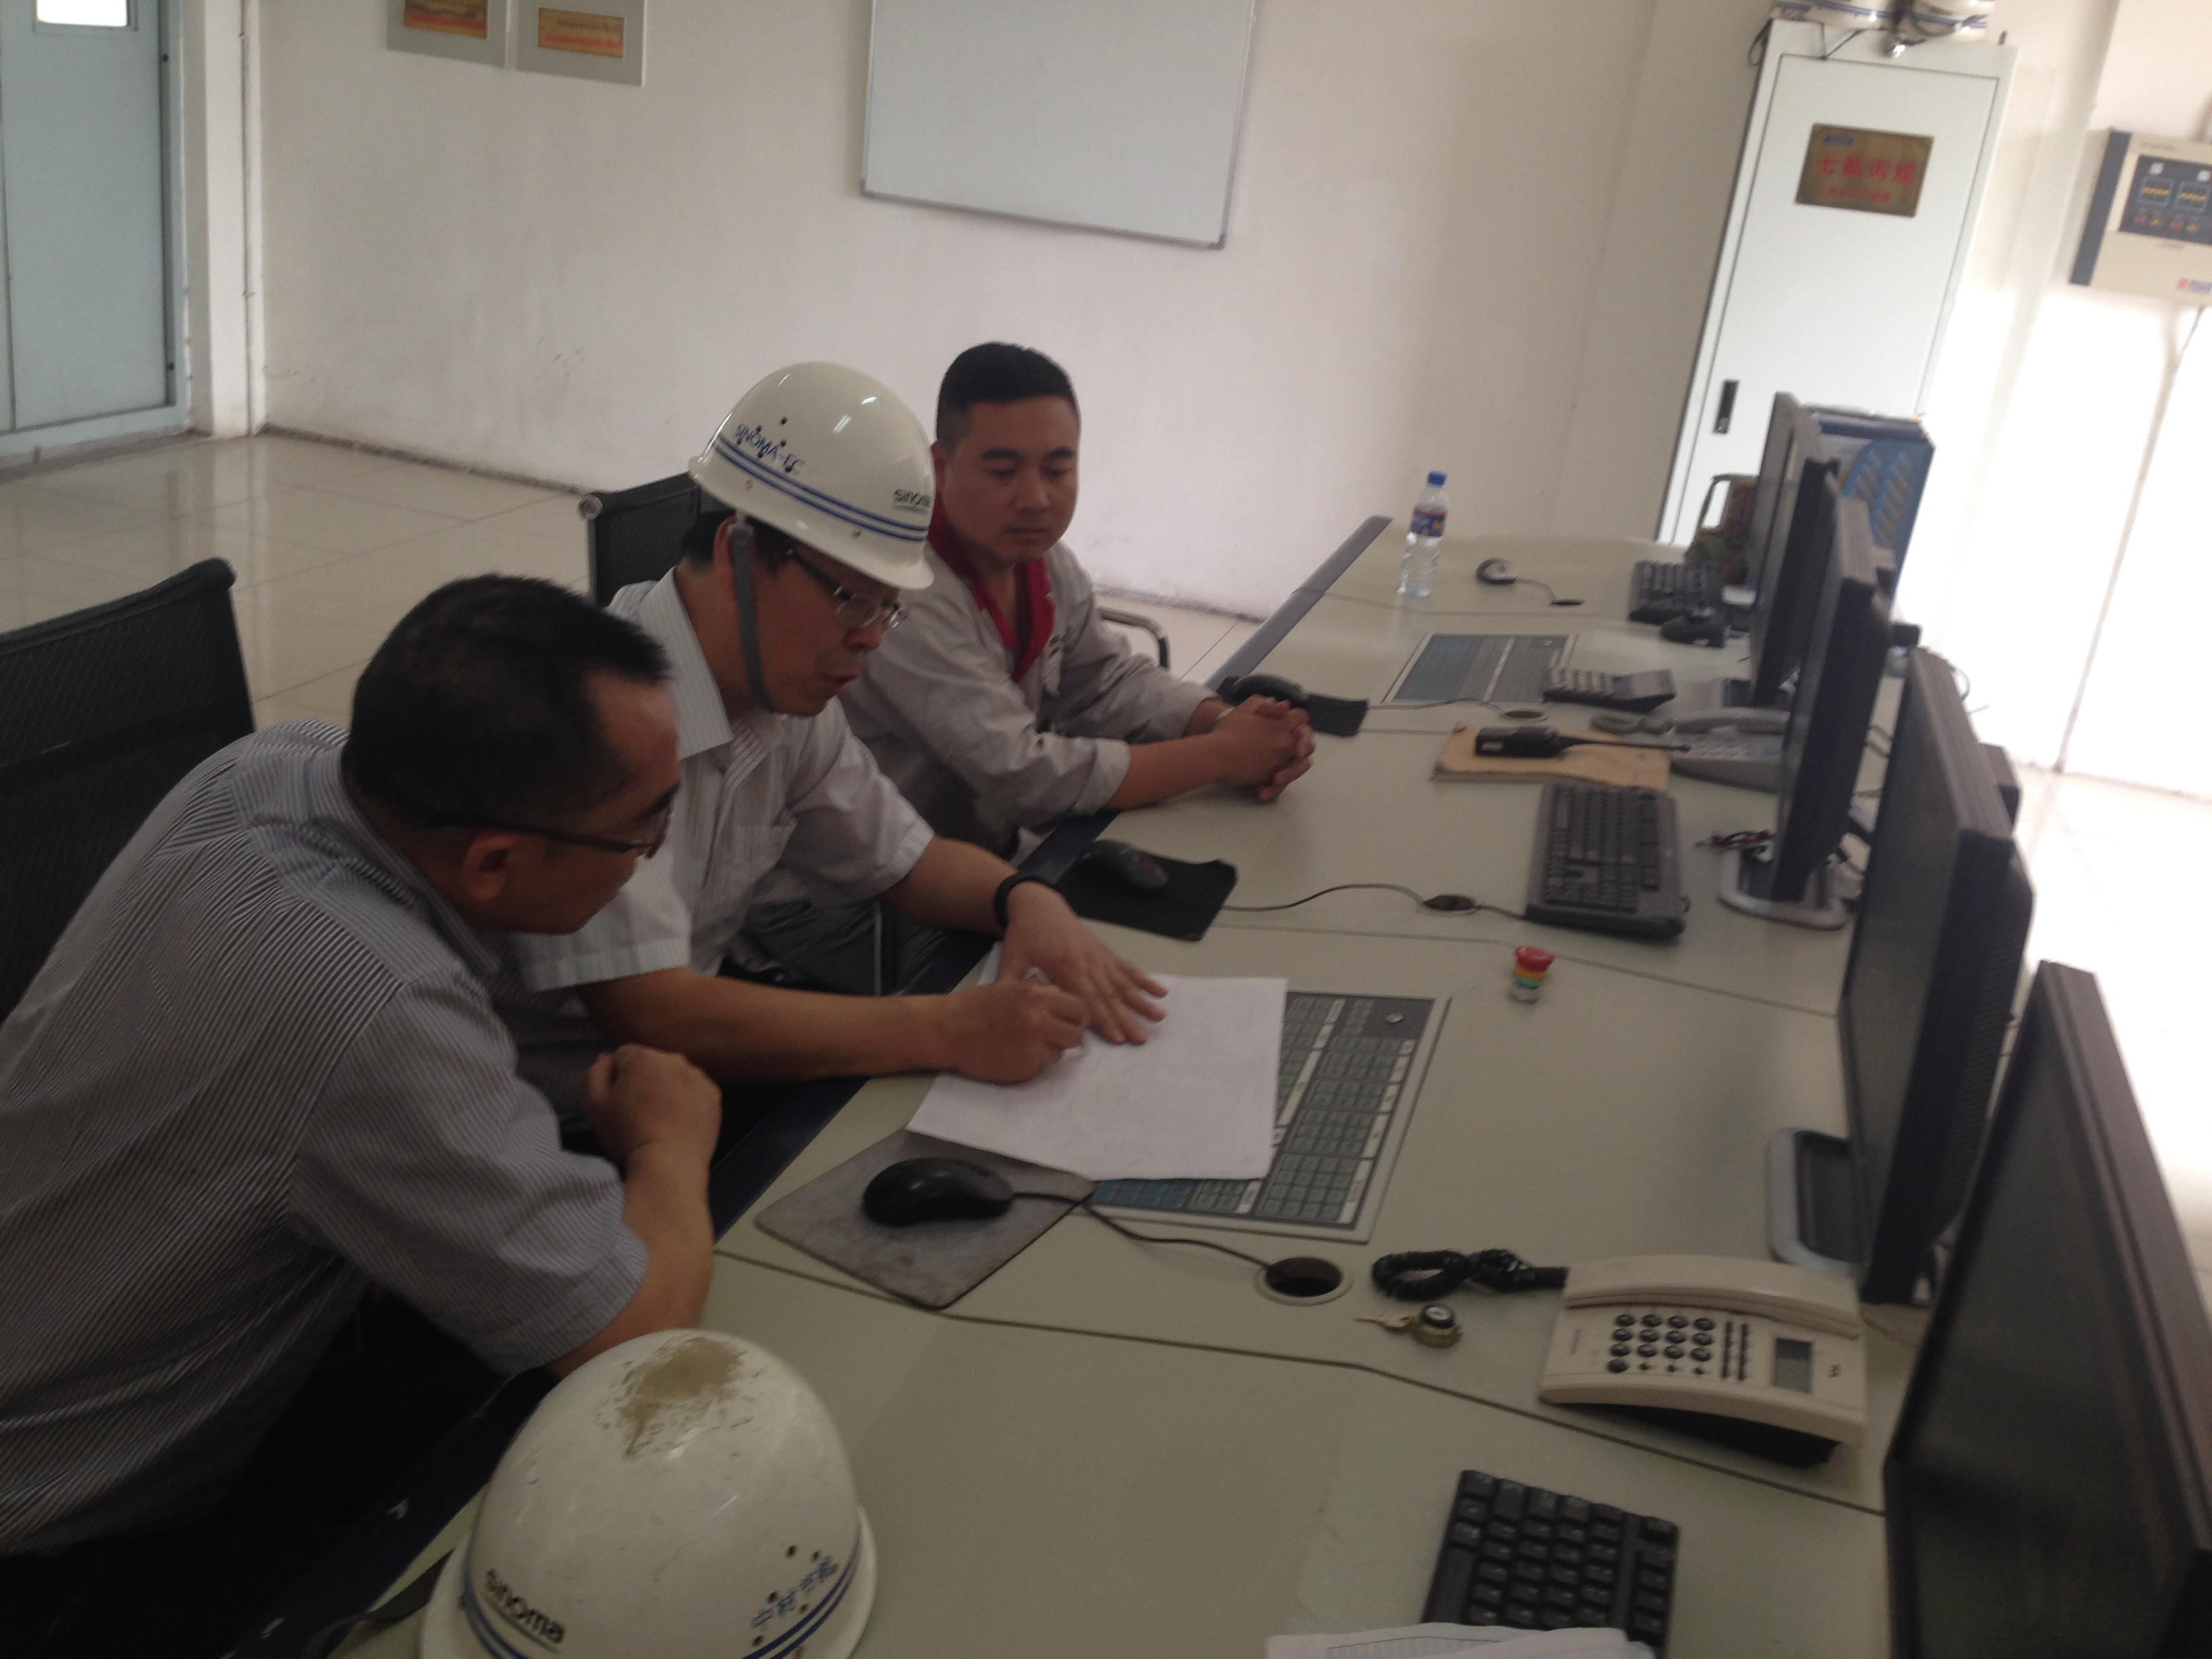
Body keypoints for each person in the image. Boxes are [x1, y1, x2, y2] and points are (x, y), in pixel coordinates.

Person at [0, 577, 723, 1658]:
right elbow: (631, 1332)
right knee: (546, 1582)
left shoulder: (271, 765)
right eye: (640, 829)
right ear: (493, 860)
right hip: (57, 1534)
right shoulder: (380, 1010)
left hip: (72, 1314)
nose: (654, 850)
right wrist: (668, 1142)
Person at [497, 362, 1166, 1122]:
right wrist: (948, 1030)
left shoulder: (789, 697)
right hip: (555, 1121)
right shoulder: (599, 719)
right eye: (854, 599)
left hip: (681, 1077)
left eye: (889, 608)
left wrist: (1025, 900)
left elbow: (906, 859)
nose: (871, 638)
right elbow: (653, 1011)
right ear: (738, 555)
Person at [839, 342, 1313, 860]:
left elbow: (1106, 683)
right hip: (883, 883)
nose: (1036, 499)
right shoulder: (903, 592)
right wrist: (1221, 756)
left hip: (984, 850)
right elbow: (1023, 773)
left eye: (1057, 470)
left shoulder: (1044, 562)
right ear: (940, 466)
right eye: (1003, 472)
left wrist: (1226, 723)